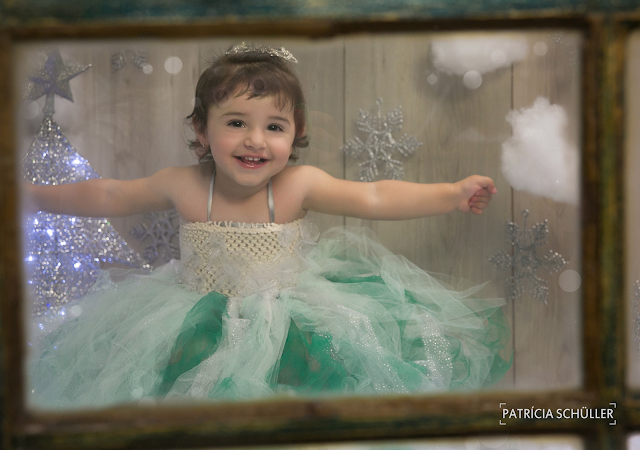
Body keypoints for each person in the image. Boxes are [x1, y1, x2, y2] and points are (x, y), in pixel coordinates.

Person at [26, 43, 511, 409]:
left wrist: (450, 194)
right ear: (201, 129)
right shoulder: (185, 184)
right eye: (236, 122)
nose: (255, 140)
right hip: (195, 318)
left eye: (274, 127)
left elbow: (375, 194)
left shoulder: (298, 185)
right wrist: (30, 196)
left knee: (292, 398)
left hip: (289, 319)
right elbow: (110, 193)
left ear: (295, 132)